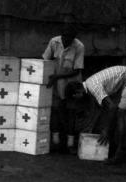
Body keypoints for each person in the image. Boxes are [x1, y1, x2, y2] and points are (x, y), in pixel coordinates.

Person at [65, 66, 126, 163]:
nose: (77, 102)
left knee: (120, 114)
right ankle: (114, 148)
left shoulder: (93, 87)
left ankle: (118, 155)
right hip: (123, 82)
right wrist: (91, 130)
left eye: (75, 99)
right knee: (114, 114)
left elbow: (111, 107)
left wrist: (105, 130)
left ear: (77, 93)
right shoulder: (89, 86)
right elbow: (100, 110)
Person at [42, 24, 85, 153]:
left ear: (74, 38)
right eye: (65, 37)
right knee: (55, 110)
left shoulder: (79, 47)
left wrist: (57, 76)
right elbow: (45, 60)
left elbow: (77, 71)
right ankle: (55, 142)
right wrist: (48, 78)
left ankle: (70, 144)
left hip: (72, 85)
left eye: (70, 39)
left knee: (71, 113)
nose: (67, 41)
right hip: (56, 83)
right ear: (61, 36)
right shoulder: (54, 42)